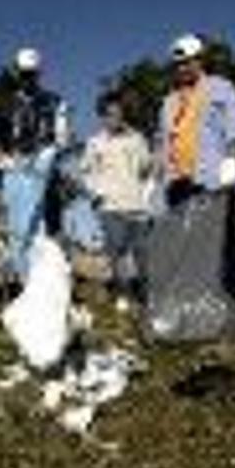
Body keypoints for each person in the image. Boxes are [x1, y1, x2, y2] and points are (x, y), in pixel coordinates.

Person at [143, 34, 235, 341]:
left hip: (212, 177)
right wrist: (154, 179)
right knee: (185, 244)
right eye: (178, 63)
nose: (184, 68)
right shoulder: (169, 101)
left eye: (189, 61)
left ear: (200, 60)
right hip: (178, 182)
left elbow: (234, 124)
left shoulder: (220, 87)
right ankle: (192, 308)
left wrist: (231, 157)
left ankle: (229, 306)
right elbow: (162, 142)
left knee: (219, 242)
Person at [0, 48, 71, 279]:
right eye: (23, 73)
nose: (28, 78)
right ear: (16, 73)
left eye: (32, 74)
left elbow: (62, 138)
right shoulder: (5, 106)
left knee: (43, 226)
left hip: (42, 170)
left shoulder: (54, 102)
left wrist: (46, 156)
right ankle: (22, 279)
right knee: (17, 228)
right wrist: (2, 159)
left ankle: (44, 280)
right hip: (14, 170)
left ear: (39, 73)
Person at [79, 92, 152, 310]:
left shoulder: (137, 138)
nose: (115, 119)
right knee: (117, 251)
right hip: (109, 206)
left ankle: (146, 293)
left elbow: (145, 168)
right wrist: (96, 194)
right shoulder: (95, 142)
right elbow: (85, 172)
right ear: (102, 117)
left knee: (142, 251)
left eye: (119, 114)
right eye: (109, 115)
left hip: (136, 204)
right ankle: (123, 293)